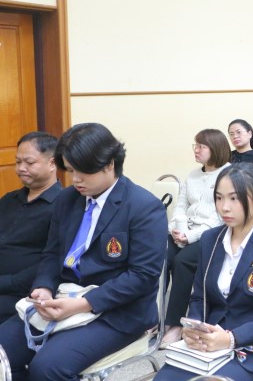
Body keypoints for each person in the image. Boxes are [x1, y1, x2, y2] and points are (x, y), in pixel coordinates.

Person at [0, 123, 167, 380]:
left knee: (47, 368)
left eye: (83, 171)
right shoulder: (68, 199)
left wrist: (82, 304)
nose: (75, 179)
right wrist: (43, 287)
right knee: (3, 352)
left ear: (109, 164)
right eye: (70, 170)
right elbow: (52, 253)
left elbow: (142, 276)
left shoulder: (143, 207)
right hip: (63, 297)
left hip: (116, 312)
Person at [153, 164, 253, 381]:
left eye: (234, 198)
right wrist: (193, 327)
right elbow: (200, 296)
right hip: (209, 343)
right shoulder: (210, 240)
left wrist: (231, 339)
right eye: (219, 198)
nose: (224, 207)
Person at [163, 129, 232, 346]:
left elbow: (220, 217)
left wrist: (190, 236)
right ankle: (153, 317)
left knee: (182, 261)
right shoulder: (193, 175)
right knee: (159, 254)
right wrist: (175, 228)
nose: (196, 150)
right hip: (185, 230)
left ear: (216, 148)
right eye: (196, 145)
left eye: (202, 146)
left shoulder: (228, 174)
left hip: (212, 233)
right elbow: (181, 205)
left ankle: (175, 324)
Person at [0, 132, 61, 323]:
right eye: (18, 162)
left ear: (52, 163)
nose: (21, 168)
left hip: (23, 292)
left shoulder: (63, 205)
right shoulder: (9, 199)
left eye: (29, 162)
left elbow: (53, 260)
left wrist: (6, 282)